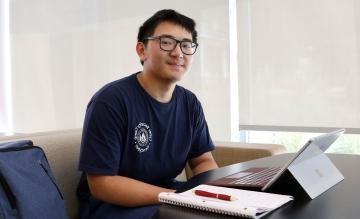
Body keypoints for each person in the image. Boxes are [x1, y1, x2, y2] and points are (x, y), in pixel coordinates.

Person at [77, 9, 218, 219]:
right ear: (141, 50)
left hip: (166, 196)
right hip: (112, 207)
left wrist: (216, 194)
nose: (178, 53)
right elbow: (102, 184)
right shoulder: (111, 100)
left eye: (186, 45)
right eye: (167, 42)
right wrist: (177, 197)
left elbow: (202, 161)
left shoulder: (190, 103)